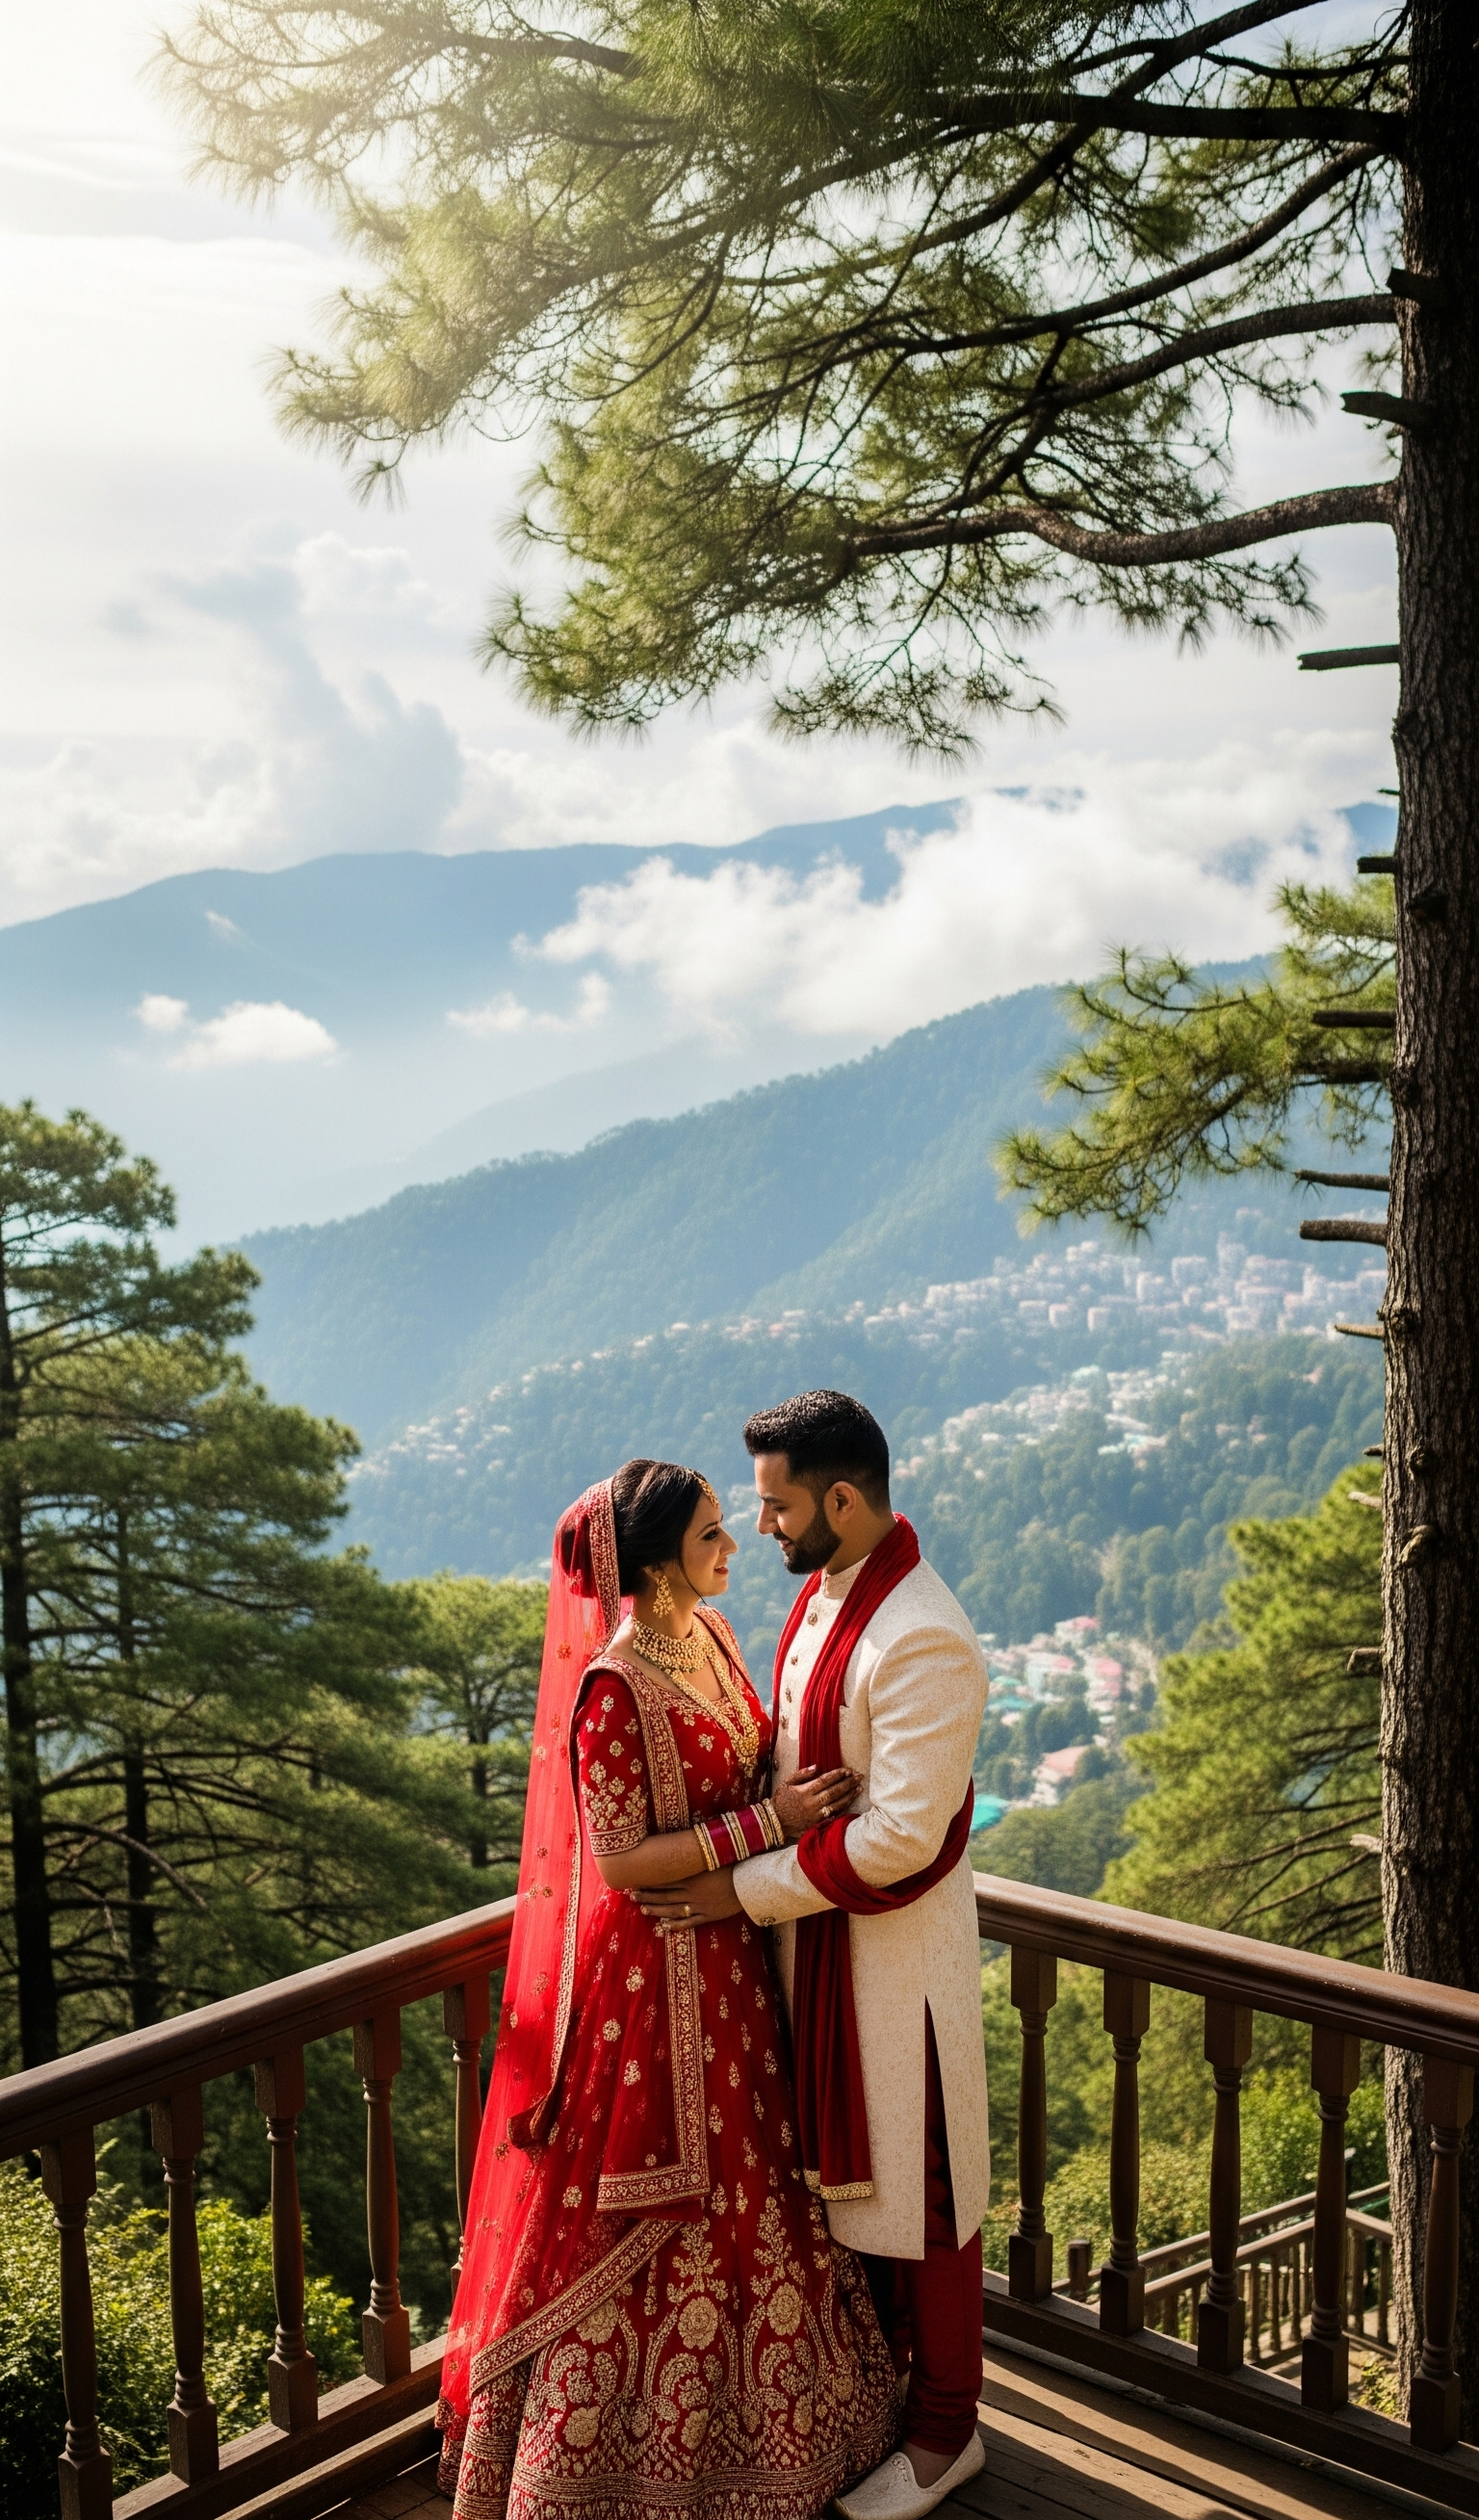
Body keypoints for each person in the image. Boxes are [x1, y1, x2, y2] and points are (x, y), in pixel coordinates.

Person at [436, 1457, 900, 2520]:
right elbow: (621, 1859)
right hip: (652, 1985)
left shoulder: (713, 1638)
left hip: (732, 1963)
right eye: (709, 1538)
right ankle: (608, 2476)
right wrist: (772, 1825)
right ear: (651, 1565)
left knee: (758, 2192)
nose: (734, 1549)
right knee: (650, 2213)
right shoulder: (613, 1686)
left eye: (730, 1529)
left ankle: (780, 2437)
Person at [638, 1393, 990, 2520]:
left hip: (897, 1978)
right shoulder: (832, 1594)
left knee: (928, 2205)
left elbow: (900, 1837)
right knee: (867, 2196)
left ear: (842, 1498)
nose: (763, 1529)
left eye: (778, 1505)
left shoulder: (924, 1633)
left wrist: (732, 1887)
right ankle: (892, 2402)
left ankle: (947, 2436)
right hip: (821, 1958)